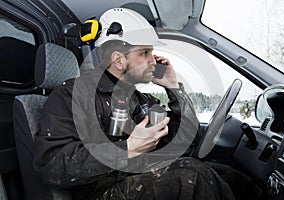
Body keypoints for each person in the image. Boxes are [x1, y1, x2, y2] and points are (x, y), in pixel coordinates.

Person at [33, 8, 235, 200]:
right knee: (191, 177)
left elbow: (188, 140)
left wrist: (174, 89)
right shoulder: (73, 95)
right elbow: (51, 165)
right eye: (144, 53)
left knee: (225, 173)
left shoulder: (140, 99)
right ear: (118, 60)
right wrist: (127, 149)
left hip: (137, 176)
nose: (153, 62)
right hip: (100, 192)